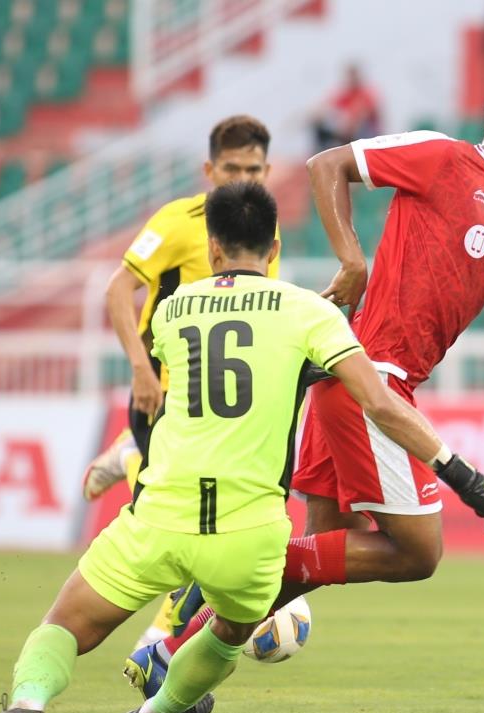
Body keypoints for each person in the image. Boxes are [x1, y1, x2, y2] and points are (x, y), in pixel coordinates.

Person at [123, 75, 484, 698]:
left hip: (353, 382)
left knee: (317, 553)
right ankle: (214, 597)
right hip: (371, 378)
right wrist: (353, 260)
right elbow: (328, 164)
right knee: (415, 553)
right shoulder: (440, 157)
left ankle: (169, 651)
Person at [0, 183, 484, 713]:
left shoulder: (173, 311)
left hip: (162, 516)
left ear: (212, 248)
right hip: (250, 531)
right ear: (274, 248)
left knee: (65, 623)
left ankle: (28, 705)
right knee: (231, 631)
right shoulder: (308, 312)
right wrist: (460, 473)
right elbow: (378, 403)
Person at [80, 115, 280, 649]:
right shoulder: (177, 221)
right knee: (190, 522)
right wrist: (140, 370)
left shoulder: (264, 229)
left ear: (267, 170)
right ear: (209, 170)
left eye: (254, 169)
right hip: (165, 393)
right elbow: (118, 290)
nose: (244, 178)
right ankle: (158, 641)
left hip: (222, 405)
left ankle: (127, 458)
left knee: (211, 522)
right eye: (232, 168)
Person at [312, 64, 382, 151]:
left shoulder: (366, 94)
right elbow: (326, 105)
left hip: (366, 136)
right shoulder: (346, 93)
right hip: (348, 131)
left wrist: (346, 125)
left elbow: (362, 115)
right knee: (321, 125)